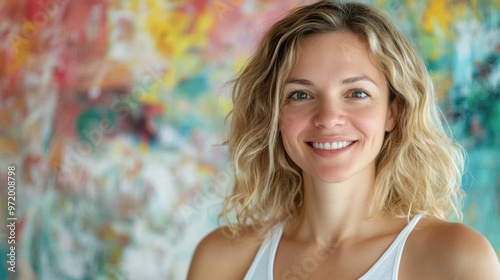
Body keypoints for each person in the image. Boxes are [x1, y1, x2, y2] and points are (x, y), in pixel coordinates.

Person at [188, 1, 500, 279]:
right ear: (274, 114)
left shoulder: (455, 258)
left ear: (394, 111)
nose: (327, 117)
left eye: (357, 93)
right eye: (300, 94)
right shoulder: (221, 260)